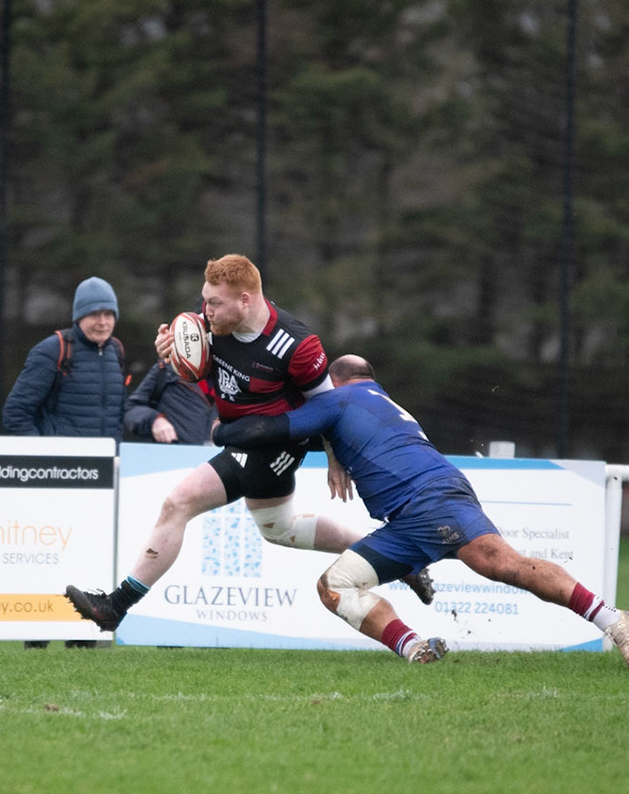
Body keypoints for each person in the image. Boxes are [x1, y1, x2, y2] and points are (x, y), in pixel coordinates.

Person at [65, 253, 430, 631]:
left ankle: (116, 606)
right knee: (279, 528)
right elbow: (196, 374)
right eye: (205, 299)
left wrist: (337, 458)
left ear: (245, 300)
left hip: (277, 444)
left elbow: (329, 405)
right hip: (241, 435)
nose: (206, 310)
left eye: (214, 302)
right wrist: (172, 356)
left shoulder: (296, 345)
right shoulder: (210, 325)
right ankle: (395, 558)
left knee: (179, 502)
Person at [212, 355, 629, 665]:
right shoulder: (374, 399)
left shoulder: (338, 400)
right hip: (409, 516)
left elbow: (275, 428)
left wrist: (222, 428)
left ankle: (614, 619)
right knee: (334, 586)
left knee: (503, 565)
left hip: (430, 498)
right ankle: (414, 647)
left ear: (334, 382)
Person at [2, 276, 129, 439]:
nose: (103, 322)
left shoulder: (117, 351)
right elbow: (16, 413)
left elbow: (119, 415)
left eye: (109, 314)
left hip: (108, 461)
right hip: (62, 462)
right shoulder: (53, 349)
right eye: (95, 314)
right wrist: (43, 456)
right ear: (79, 317)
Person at [124, 356, 215, 444]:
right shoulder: (167, 369)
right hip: (172, 455)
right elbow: (131, 409)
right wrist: (154, 419)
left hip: (220, 457)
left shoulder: (226, 378)